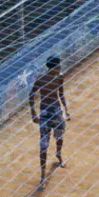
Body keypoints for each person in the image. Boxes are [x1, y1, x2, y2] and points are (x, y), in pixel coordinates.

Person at [29, 55, 70, 185]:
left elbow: (61, 94)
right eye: (59, 65)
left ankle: (58, 154)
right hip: (45, 113)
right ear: (54, 67)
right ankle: (42, 176)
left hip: (57, 111)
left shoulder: (60, 77)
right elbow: (31, 94)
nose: (61, 67)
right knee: (44, 146)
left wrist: (66, 109)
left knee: (60, 136)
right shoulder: (41, 79)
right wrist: (33, 114)